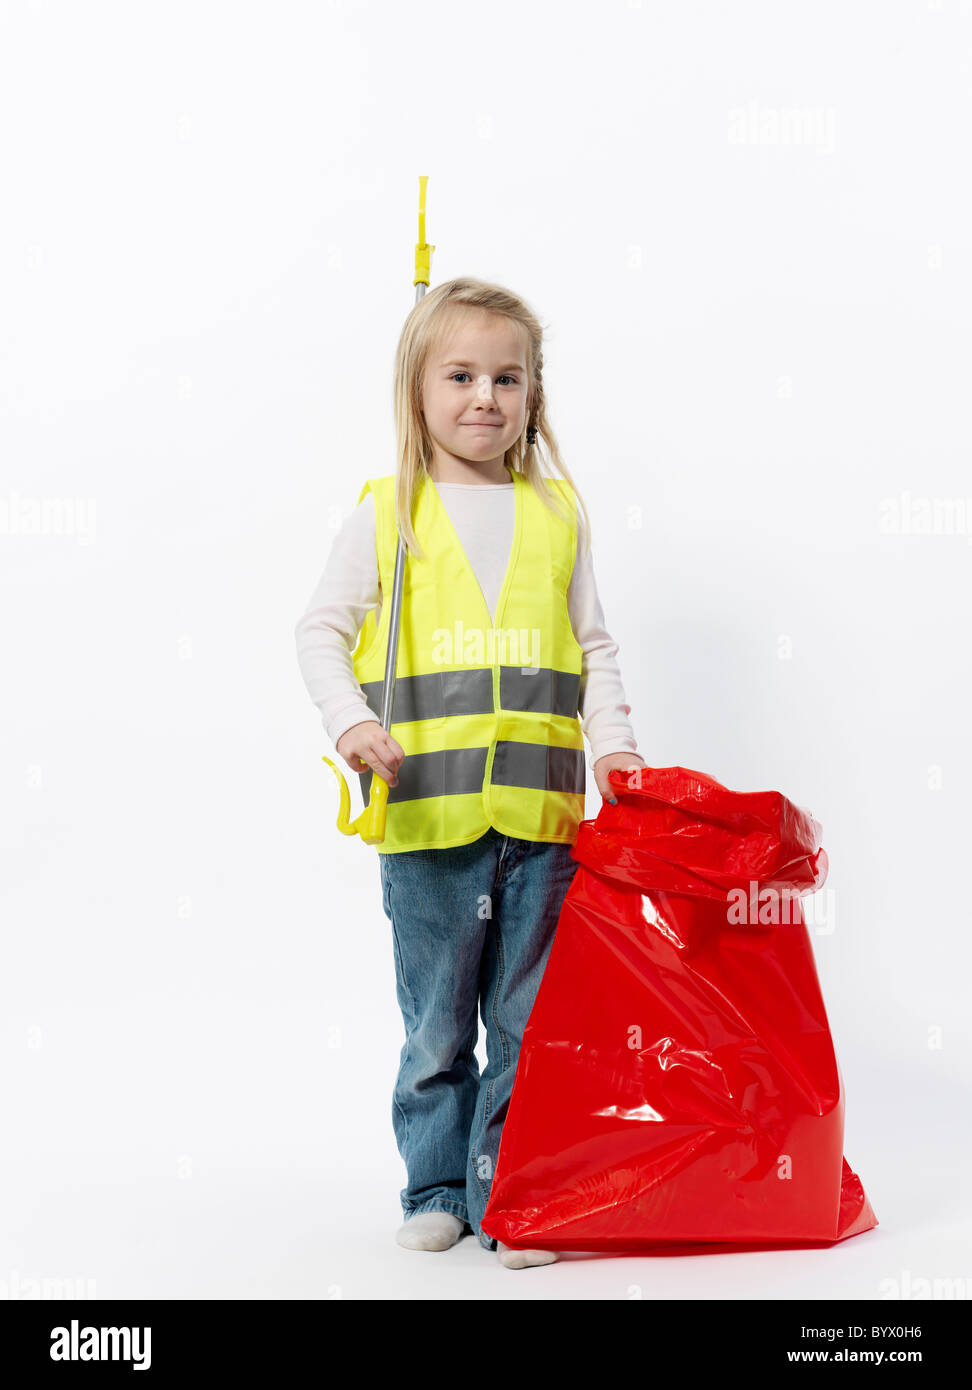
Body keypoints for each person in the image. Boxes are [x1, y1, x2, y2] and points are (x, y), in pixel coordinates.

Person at [295, 277, 644, 1268]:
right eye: (460, 375)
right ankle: (439, 1185)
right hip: (427, 818)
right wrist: (351, 724)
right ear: (416, 389)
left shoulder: (559, 514)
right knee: (438, 1025)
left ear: (534, 393)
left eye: (507, 377)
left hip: (541, 819)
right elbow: (319, 630)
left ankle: (514, 1195)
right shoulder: (387, 512)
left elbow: (595, 647)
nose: (484, 396)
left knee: (527, 1020)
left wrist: (615, 744)